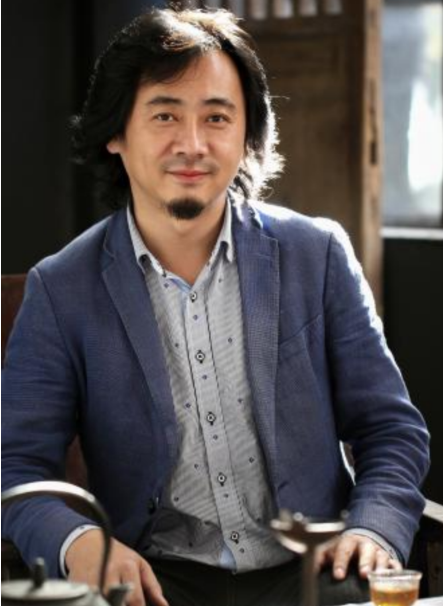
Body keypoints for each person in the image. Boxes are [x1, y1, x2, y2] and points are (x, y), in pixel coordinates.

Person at [2, 8, 430, 606]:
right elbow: (17, 466)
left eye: (217, 117)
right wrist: (79, 542)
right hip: (156, 579)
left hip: (315, 570)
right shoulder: (61, 288)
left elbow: (392, 430)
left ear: (247, 134)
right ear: (115, 133)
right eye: (165, 115)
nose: (193, 144)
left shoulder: (318, 254)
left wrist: (373, 529)